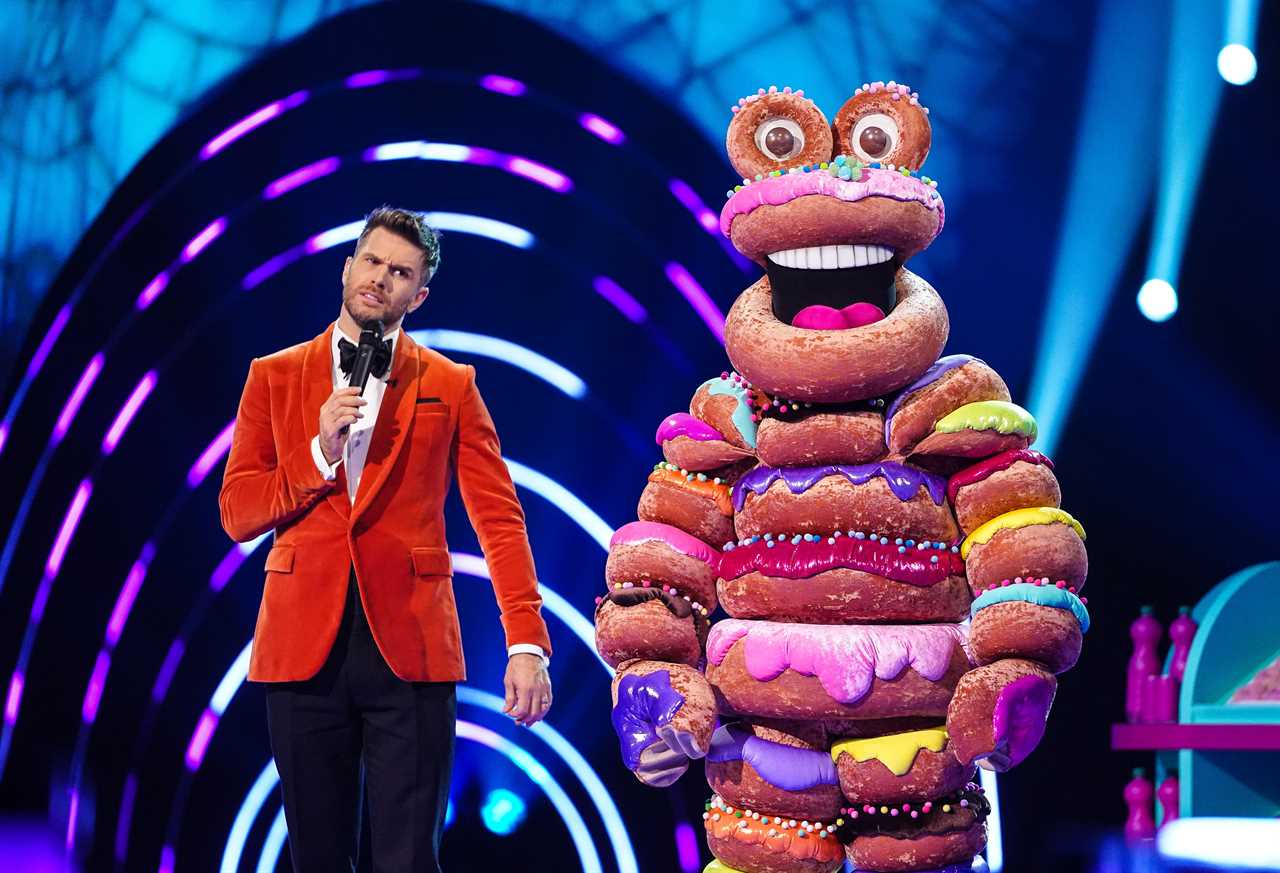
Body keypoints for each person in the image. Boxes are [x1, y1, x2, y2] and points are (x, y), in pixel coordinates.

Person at [218, 206, 553, 873]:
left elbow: (499, 517)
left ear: (418, 294)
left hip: (412, 650)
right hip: (300, 648)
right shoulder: (274, 375)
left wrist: (525, 642)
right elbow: (237, 512)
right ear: (347, 268)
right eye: (371, 262)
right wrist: (318, 453)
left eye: (400, 272)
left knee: (407, 859)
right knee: (316, 856)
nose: (381, 279)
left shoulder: (451, 385)